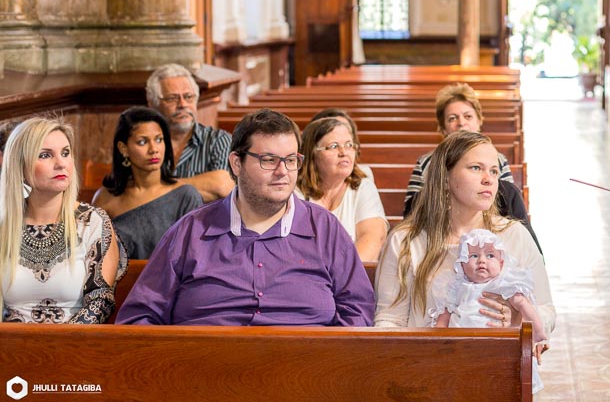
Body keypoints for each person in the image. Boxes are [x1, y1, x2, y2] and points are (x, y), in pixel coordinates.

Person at [116, 108, 374, 326]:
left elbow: (358, 309)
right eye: (269, 160)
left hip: (304, 375)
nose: (282, 172)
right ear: (236, 164)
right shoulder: (191, 231)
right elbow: (140, 316)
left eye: (291, 160)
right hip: (206, 373)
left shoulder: (325, 229)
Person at [375, 130, 555, 344]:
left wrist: (518, 318)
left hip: (497, 364)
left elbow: (547, 311)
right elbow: (390, 321)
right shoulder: (405, 242)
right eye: (476, 168)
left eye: (494, 171)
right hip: (426, 364)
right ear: (445, 178)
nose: (488, 179)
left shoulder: (513, 234)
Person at [1, 118, 125, 323]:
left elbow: (100, 301)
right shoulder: (3, 225)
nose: (61, 163)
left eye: (65, 153)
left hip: (74, 344)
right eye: (45, 155)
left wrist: (60, 346)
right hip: (10, 346)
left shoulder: (92, 221)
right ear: (19, 165)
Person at [403, 84, 540, 250]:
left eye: (468, 116)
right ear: (443, 128)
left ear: (479, 121)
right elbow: (412, 214)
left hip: (489, 233)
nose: (461, 123)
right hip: (438, 233)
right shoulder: (426, 162)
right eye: (452, 118)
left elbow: (508, 205)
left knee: (507, 188)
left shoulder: (497, 160)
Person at [435, 228, 548, 394]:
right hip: (462, 348)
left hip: (497, 346)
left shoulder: (502, 286)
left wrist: (538, 333)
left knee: (500, 386)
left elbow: (524, 305)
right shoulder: (457, 287)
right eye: (474, 256)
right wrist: (436, 342)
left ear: (501, 264)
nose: (482, 261)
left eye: (490, 256)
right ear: (462, 263)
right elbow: (444, 315)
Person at [92, 107, 204, 259]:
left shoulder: (186, 196)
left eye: (159, 139)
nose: (154, 149)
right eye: (142, 142)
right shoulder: (105, 199)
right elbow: (96, 262)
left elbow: (196, 259)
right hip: (123, 282)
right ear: (123, 148)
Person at [297, 117, 388, 262]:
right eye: (333, 146)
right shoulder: (295, 192)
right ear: (312, 153)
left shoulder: (362, 187)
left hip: (351, 277)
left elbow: (373, 239)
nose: (344, 152)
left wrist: (339, 276)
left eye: (349, 145)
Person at [145, 64, 233, 201]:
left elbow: (222, 187)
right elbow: (132, 193)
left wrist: (155, 191)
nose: (183, 104)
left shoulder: (218, 141)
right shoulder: (144, 144)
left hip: (204, 222)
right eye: (172, 98)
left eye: (188, 97)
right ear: (152, 104)